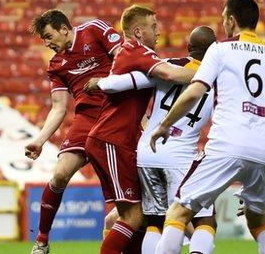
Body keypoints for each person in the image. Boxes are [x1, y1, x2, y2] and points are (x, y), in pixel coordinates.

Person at [151, 0, 265, 253]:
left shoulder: (220, 49)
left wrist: (164, 124)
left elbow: (193, 93)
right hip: (263, 150)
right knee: (258, 219)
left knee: (178, 213)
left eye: (225, 18)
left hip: (227, 145)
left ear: (231, 20)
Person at [89, 26, 218, 253]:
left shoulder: (166, 65)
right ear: (213, 51)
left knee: (154, 223)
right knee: (204, 222)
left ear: (188, 47)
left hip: (148, 152)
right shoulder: (216, 77)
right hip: (180, 155)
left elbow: (124, 81)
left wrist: (99, 83)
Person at [24, 9, 123, 254]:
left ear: (64, 29)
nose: (47, 44)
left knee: (120, 188)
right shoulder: (56, 65)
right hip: (86, 119)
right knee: (59, 175)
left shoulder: (94, 30)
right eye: (44, 40)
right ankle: (42, 241)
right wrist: (39, 140)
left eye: (49, 36)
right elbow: (59, 108)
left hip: (117, 114)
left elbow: (123, 58)